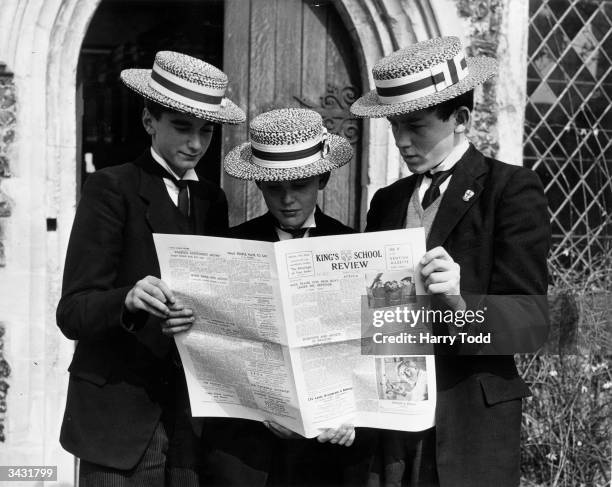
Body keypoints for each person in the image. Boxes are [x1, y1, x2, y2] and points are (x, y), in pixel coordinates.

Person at [350, 36, 550, 486]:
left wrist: (462, 301)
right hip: (389, 426)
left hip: (467, 426)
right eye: (393, 126)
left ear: (460, 119)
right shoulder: (387, 201)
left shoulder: (510, 191)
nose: (401, 141)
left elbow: (532, 321)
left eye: (416, 126)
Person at [56, 51, 245, 486]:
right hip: (119, 424)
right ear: (148, 122)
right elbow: (72, 312)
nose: (196, 144)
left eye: (207, 131)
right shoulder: (111, 188)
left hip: (187, 423)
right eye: (182, 127)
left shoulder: (211, 201)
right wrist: (127, 299)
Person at [203, 108, 374, 487]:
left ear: (323, 179)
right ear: (260, 186)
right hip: (245, 457)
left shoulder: (355, 248)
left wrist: (352, 414)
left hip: (328, 458)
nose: (288, 199)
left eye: (300, 186)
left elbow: (372, 346)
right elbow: (216, 347)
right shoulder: (230, 247)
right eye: (275, 188)